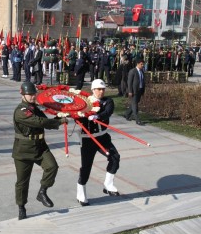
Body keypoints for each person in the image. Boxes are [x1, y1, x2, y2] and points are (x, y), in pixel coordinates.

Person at [12, 82, 68, 220]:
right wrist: (59, 122)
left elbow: (44, 121)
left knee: (52, 167)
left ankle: (42, 192)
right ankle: (21, 206)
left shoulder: (34, 108)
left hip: (40, 146)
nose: (32, 97)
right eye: (30, 94)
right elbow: (38, 122)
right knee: (22, 181)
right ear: (22, 94)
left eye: (33, 94)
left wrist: (59, 117)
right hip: (23, 150)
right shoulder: (21, 111)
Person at [76, 79, 121, 206]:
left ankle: (108, 184)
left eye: (103, 89)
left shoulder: (108, 101)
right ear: (93, 90)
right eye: (98, 89)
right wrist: (80, 116)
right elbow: (76, 116)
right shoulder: (85, 102)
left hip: (102, 137)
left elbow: (108, 111)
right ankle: (81, 193)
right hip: (88, 139)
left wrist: (97, 116)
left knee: (115, 157)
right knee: (86, 167)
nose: (101, 91)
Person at [124, 59, 145, 125]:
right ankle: (137, 120)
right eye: (141, 64)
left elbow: (142, 81)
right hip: (133, 91)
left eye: (143, 64)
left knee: (134, 104)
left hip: (140, 90)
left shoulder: (142, 71)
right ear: (137, 64)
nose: (142, 65)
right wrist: (130, 91)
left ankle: (127, 114)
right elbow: (129, 82)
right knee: (135, 105)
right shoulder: (132, 71)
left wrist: (143, 90)